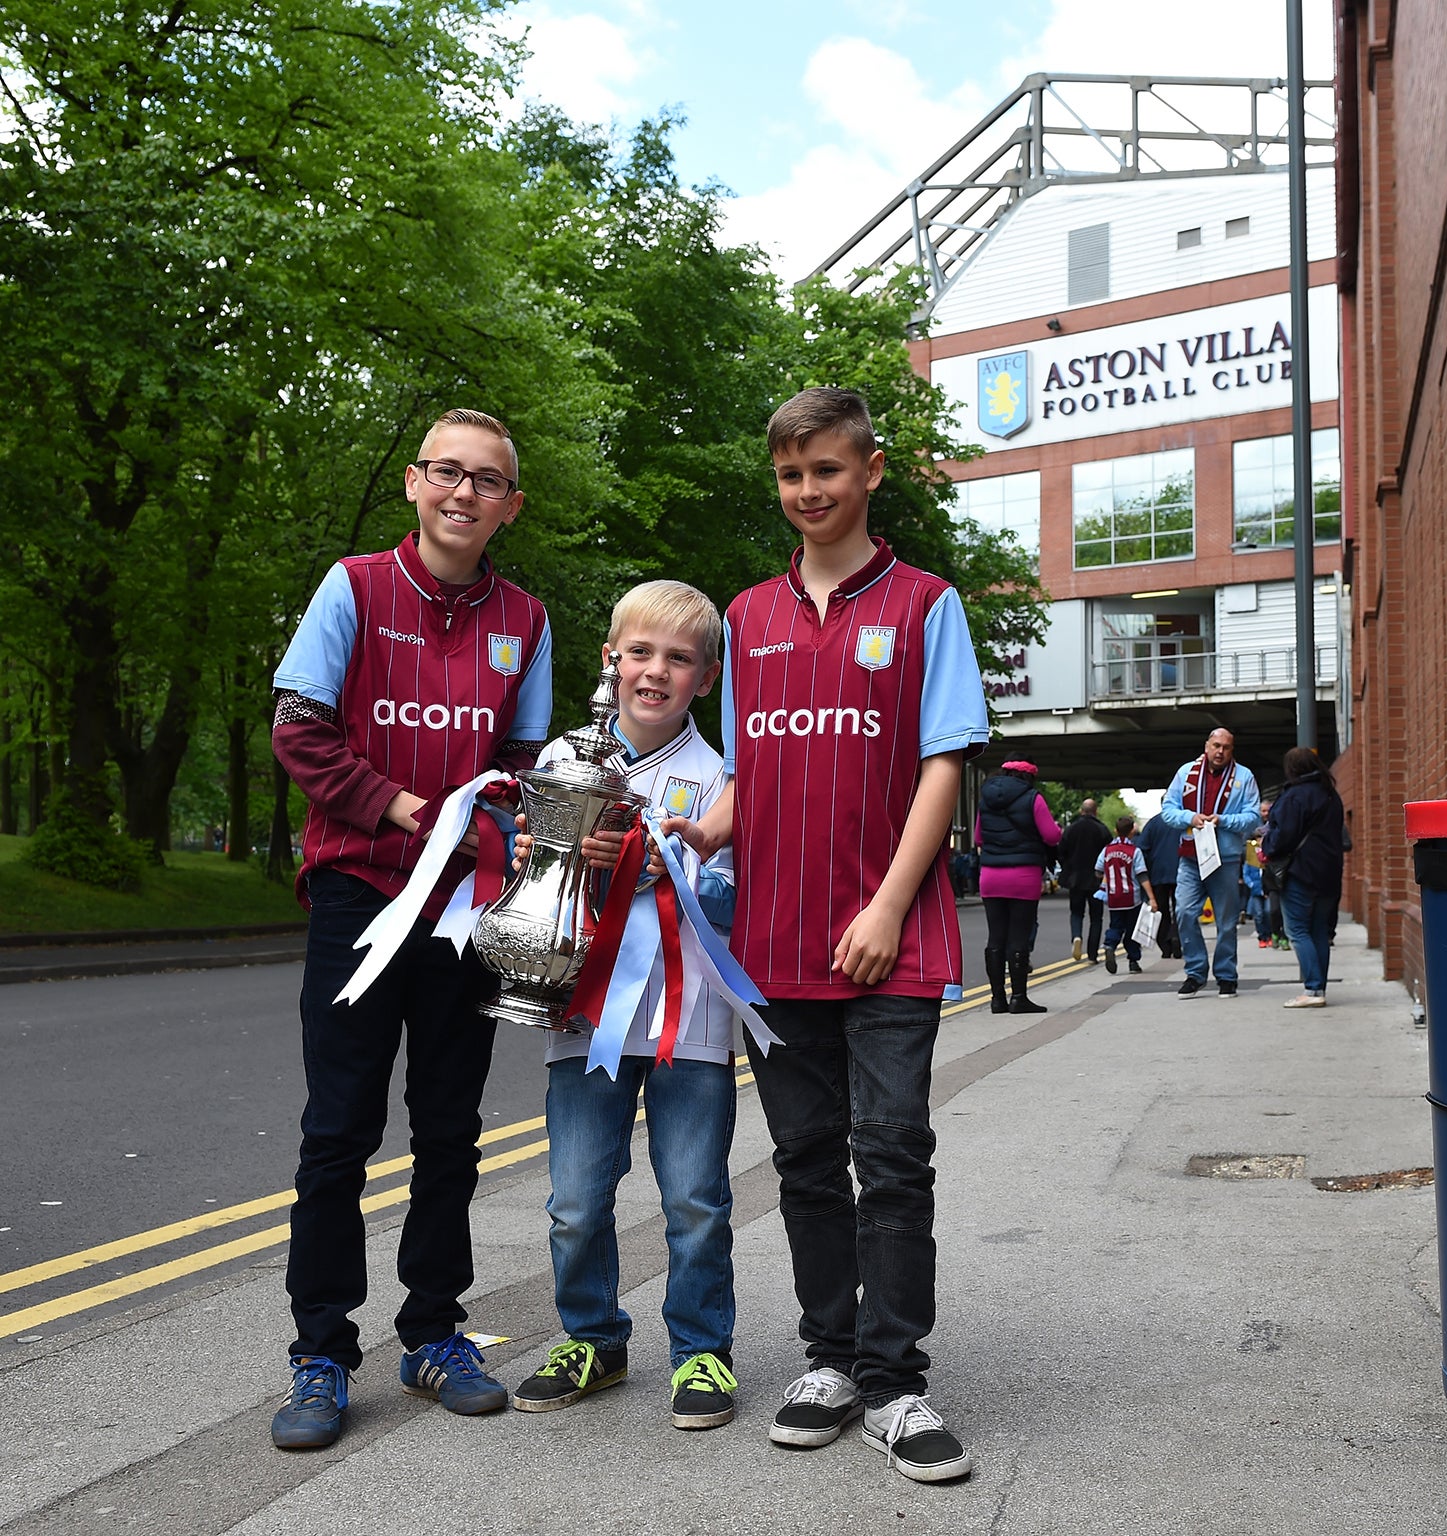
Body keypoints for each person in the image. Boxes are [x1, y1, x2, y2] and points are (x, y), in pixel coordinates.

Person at [667, 387, 986, 1484]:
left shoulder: (927, 604)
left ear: (870, 472)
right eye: (792, 476)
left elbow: (943, 762)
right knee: (804, 1160)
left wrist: (891, 905)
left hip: (887, 940)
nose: (809, 492)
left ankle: (898, 1385)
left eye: (828, 472)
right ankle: (831, 1360)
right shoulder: (744, 618)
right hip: (775, 938)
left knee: (890, 1158)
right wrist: (698, 828)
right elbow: (752, 770)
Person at [266, 409, 554, 1450]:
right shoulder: (352, 587)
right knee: (337, 1130)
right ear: (412, 483)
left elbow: (522, 772)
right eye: (446, 472)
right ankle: (319, 1355)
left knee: (449, 1128)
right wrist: (408, 814)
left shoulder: (525, 616)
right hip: (358, 893)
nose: (463, 493)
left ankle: (434, 1332)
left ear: (509, 505)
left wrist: (514, 838)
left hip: (464, 911)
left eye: (486, 481)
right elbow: (299, 733)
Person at [506, 580, 748, 1431]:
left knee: (695, 1199)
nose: (657, 671)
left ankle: (702, 1352)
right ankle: (593, 1339)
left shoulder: (723, 778)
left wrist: (675, 873)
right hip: (584, 1018)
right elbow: (525, 889)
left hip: (693, 1025)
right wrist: (542, 858)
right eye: (641, 652)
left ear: (707, 677)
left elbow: (734, 898)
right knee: (575, 1198)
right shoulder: (563, 765)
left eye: (679, 658)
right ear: (611, 659)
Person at [1158, 728, 1261, 998]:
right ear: (1206, 746)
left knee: (1226, 922)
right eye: (1216, 745)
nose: (1220, 752)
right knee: (1184, 913)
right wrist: (1190, 818)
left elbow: (1253, 816)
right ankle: (1195, 972)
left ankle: (1226, 975)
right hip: (1191, 859)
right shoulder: (1185, 773)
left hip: (1224, 860)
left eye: (1226, 747)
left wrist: (1223, 820)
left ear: (1232, 750)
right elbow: (1167, 810)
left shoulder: (1244, 777)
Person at [1263, 746, 1349, 1009]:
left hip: (1300, 871)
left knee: (1297, 930)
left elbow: (1282, 837)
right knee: (1319, 931)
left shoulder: (1294, 796)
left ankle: (1312, 990)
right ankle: (1318, 987)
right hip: (1329, 871)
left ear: (1292, 769)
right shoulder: (1331, 795)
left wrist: (1266, 845)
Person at [974, 759, 1058, 1013]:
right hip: (1024, 876)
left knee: (995, 937)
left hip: (990, 875)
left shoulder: (985, 798)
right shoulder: (1034, 798)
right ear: (1029, 777)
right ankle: (1018, 998)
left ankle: (997, 999)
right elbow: (1051, 836)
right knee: (1019, 937)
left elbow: (978, 837)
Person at [1094, 814, 1156, 974]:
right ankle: (1133, 961)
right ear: (1132, 832)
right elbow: (1142, 875)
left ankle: (1110, 945)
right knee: (1132, 929)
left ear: (1115, 830)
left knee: (1115, 925)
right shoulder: (1135, 852)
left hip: (1114, 897)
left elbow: (1098, 871)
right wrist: (1151, 898)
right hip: (1131, 896)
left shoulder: (1106, 850)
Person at [1056, 797, 1111, 962]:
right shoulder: (1102, 830)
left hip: (1075, 879)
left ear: (1082, 811)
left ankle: (1076, 936)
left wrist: (1067, 867)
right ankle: (1092, 954)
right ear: (1095, 812)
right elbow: (1108, 854)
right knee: (1096, 918)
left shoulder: (1071, 829)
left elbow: (1061, 852)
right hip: (1096, 879)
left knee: (1076, 913)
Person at [1134, 809, 1183, 959]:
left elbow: (1142, 848)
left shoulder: (1153, 823)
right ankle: (1176, 936)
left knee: (1161, 910)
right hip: (1181, 871)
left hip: (1158, 873)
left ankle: (1165, 945)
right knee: (1180, 909)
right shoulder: (1183, 821)